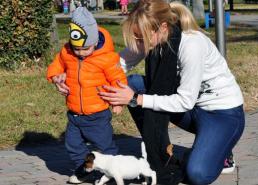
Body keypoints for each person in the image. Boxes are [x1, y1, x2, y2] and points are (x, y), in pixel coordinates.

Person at [99, 0, 245, 184]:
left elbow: (185, 101)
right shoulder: (152, 39)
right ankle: (160, 153)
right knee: (132, 83)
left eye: (141, 37)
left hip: (222, 114)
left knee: (198, 174)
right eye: (136, 37)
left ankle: (222, 151)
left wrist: (136, 99)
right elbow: (116, 65)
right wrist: (73, 75)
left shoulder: (191, 44)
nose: (138, 42)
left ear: (163, 27)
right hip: (191, 111)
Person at [47, 7, 127, 184]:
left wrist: (119, 101)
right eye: (77, 49)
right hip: (74, 114)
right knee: (73, 146)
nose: (81, 53)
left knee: (105, 146)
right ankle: (86, 171)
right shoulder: (67, 52)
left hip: (97, 114)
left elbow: (118, 79)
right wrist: (55, 77)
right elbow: (56, 65)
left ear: (94, 40)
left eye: (85, 48)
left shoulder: (106, 57)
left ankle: (113, 173)